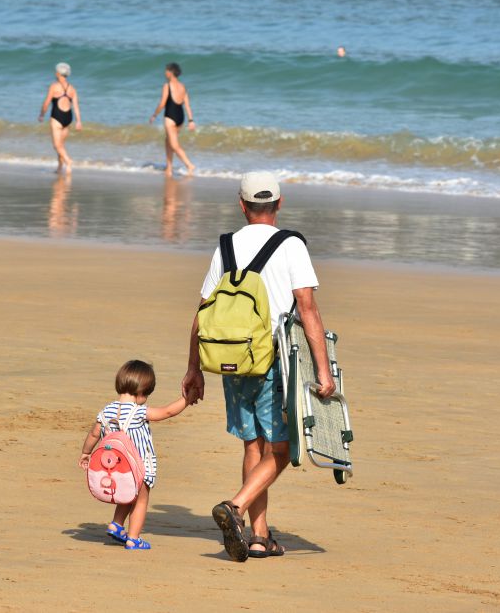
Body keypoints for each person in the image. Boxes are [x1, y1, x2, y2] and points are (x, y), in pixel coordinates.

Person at [180, 174, 335, 562]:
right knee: (283, 448)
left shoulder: (226, 245)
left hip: (232, 358)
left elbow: (202, 313)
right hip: (274, 359)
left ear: (242, 204)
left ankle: (258, 536)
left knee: (254, 443)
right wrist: (324, 370)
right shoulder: (291, 244)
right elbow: (307, 307)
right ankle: (235, 507)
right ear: (280, 203)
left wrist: (193, 369)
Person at [79, 360, 190, 550]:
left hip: (114, 468)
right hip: (137, 466)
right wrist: (187, 399)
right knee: (141, 499)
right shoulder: (138, 412)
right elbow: (168, 412)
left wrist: (85, 452)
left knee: (126, 494)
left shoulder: (106, 411)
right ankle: (133, 538)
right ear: (141, 393)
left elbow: (94, 434)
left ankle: (116, 525)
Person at [149, 62, 196, 177]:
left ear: (170, 72)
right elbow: (187, 105)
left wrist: (154, 115)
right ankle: (169, 168)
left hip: (170, 117)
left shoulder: (167, 85)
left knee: (174, 145)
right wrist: (191, 120)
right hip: (180, 117)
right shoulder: (183, 86)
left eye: (166, 70)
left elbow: (162, 103)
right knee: (168, 141)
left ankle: (189, 165)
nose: (165, 73)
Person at [38, 62, 82, 174]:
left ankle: (68, 161)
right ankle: (61, 167)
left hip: (57, 117)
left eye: (56, 71)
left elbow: (47, 103)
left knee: (57, 145)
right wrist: (78, 121)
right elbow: (76, 106)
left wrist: (42, 114)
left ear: (58, 73)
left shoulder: (54, 86)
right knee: (61, 145)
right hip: (68, 118)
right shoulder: (72, 88)